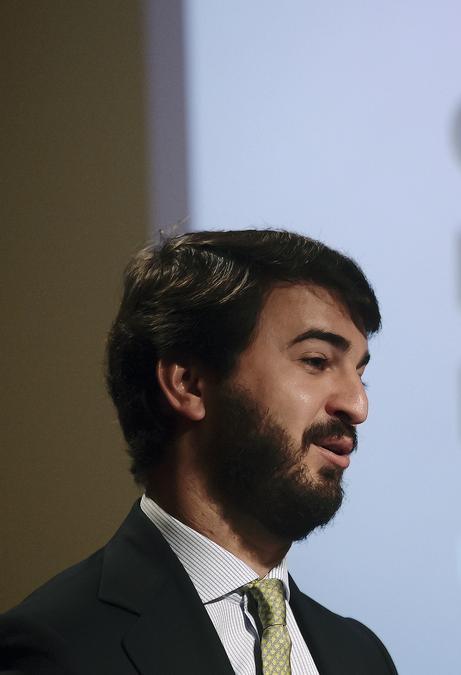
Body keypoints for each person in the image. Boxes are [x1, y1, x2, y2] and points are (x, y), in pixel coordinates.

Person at [0, 229, 398, 674]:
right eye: (317, 362)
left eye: (360, 373)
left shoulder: (361, 656)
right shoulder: (60, 648)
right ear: (188, 384)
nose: (358, 405)